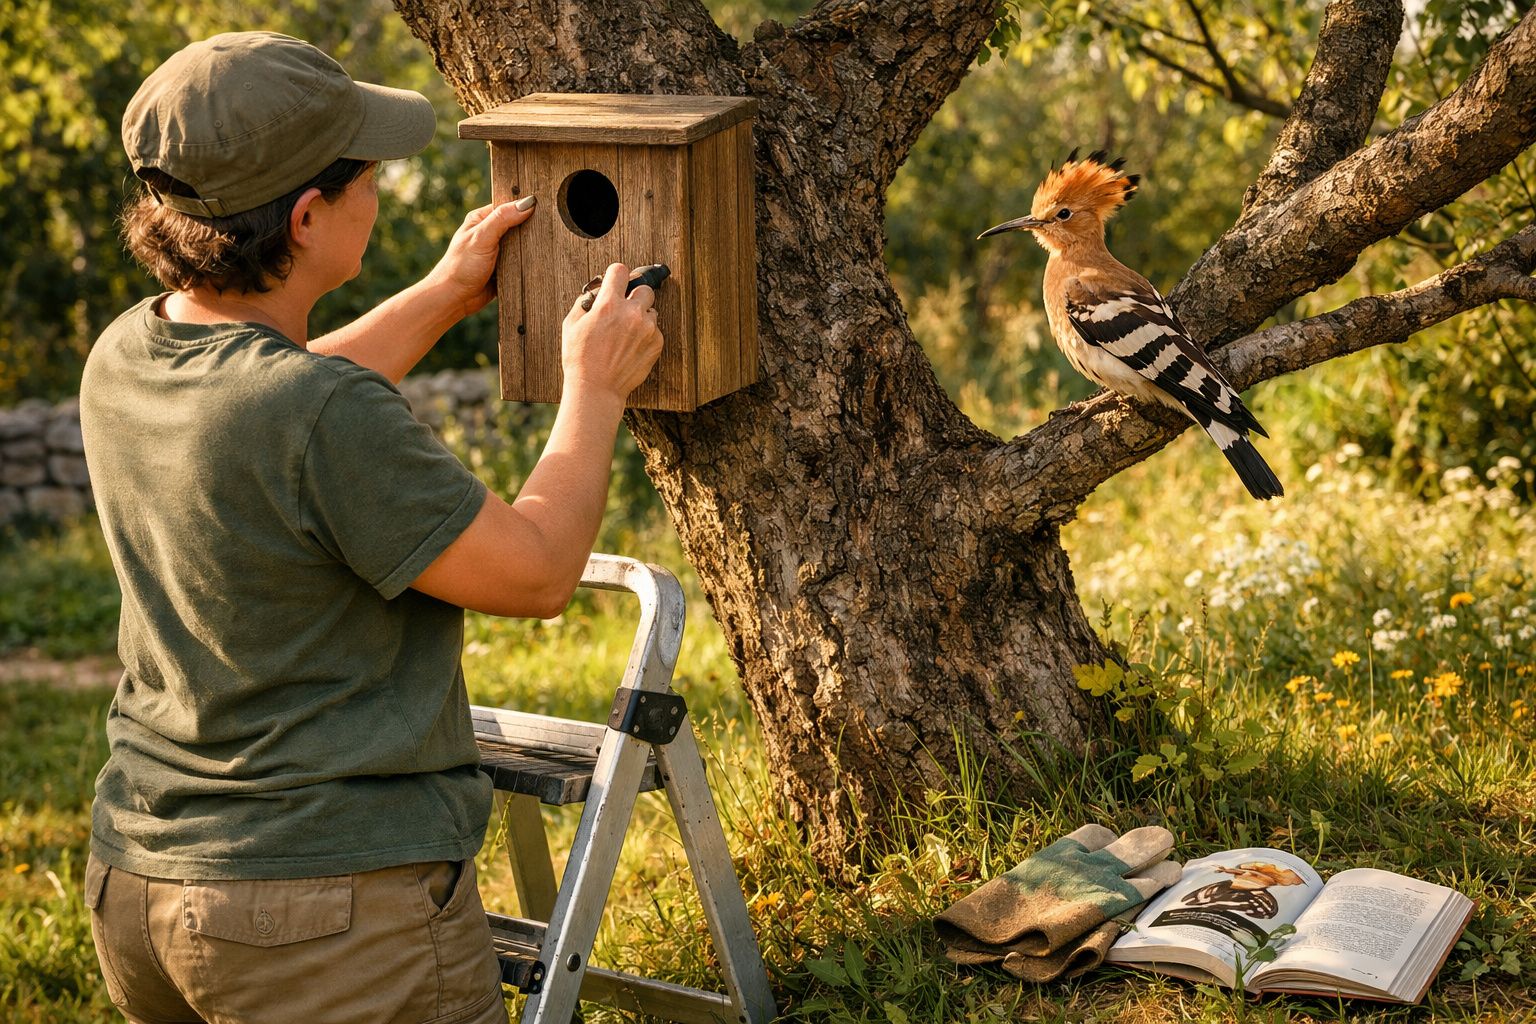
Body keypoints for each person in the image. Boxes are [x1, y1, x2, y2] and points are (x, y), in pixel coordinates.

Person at [78, 30, 663, 1024]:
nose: (379, 194)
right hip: (322, 922)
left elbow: (277, 399)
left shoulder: (128, 351)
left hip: (138, 886)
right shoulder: (321, 420)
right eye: (366, 178)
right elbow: (534, 575)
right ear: (309, 217)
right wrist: (593, 388)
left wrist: (442, 294)